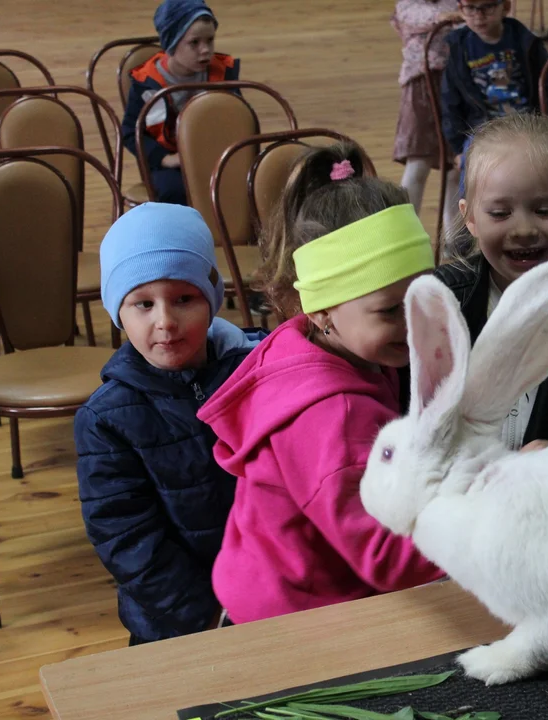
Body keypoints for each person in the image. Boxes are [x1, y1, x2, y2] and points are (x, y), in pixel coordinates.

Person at [196, 145, 444, 624]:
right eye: (392, 310)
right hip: (294, 622)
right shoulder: (335, 414)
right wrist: (490, 521)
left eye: (425, 296)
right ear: (322, 309)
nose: (417, 322)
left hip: (273, 587)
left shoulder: (320, 345)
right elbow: (386, 555)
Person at [76, 203, 264, 645]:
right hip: (177, 626)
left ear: (212, 300)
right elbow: (127, 537)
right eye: (143, 303)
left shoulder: (255, 372)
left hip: (268, 602)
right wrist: (209, 615)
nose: (165, 322)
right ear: (117, 313)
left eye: (184, 299)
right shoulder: (106, 419)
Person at [438, 112, 548, 450]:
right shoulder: (443, 301)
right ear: (469, 217)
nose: (523, 230)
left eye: (544, 211)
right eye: (500, 213)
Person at [441, 0, 548, 199]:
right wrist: (458, 147)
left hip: (528, 125)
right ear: (461, 10)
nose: (479, 15)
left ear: (506, 7)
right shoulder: (459, 47)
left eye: (487, 7)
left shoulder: (525, 42)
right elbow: (450, 102)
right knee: (471, 163)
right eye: (470, 8)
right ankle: (472, 223)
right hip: (481, 130)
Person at [121, 0, 239, 205]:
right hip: (171, 163)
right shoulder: (147, 83)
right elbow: (131, 132)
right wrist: (164, 158)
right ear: (172, 44)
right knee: (174, 190)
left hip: (216, 157)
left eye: (210, 40)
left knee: (244, 182)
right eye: (194, 43)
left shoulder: (223, 73)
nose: (205, 50)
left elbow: (239, 119)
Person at [392, 0, 463, 238]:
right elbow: (415, 16)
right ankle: (404, 234)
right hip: (422, 84)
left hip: (457, 84)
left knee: (456, 166)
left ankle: (455, 237)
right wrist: (450, 15)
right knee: (418, 164)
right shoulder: (409, 5)